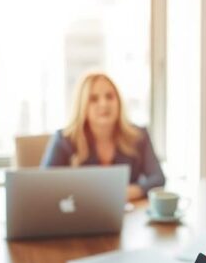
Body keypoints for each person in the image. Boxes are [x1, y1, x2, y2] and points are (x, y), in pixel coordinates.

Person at [41, 71, 164, 201]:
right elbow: (44, 186)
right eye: (93, 99)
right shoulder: (64, 139)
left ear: (118, 101)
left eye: (109, 96)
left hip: (128, 213)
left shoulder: (139, 135)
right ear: (82, 106)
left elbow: (158, 178)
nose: (103, 104)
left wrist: (127, 192)